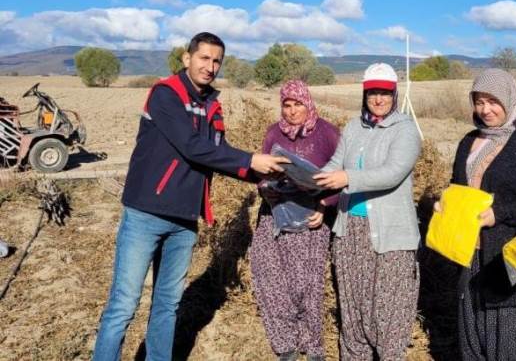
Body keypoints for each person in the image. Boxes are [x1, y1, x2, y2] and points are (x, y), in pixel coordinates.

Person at [92, 32, 288, 361]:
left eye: (216, 61)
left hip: (184, 220)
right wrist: (249, 159)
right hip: (146, 214)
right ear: (187, 58)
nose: (210, 67)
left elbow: (218, 152)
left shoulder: (211, 104)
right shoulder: (165, 94)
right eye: (204, 58)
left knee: (167, 306)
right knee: (124, 306)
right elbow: (191, 146)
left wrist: (259, 173)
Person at [442, 68, 516, 360]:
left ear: (509, 100)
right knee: (471, 328)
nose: (485, 110)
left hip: (508, 254)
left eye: (493, 101)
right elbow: (458, 187)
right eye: (479, 102)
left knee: (506, 334)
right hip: (468, 251)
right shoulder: (468, 141)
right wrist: (446, 204)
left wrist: (500, 213)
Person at [314, 63, 422, 360]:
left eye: (384, 93)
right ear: (364, 94)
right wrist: (309, 179)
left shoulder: (405, 129)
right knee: (354, 314)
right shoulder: (353, 127)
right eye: (372, 92)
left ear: (394, 94)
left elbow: (393, 172)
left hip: (391, 238)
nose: (378, 99)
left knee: (388, 316)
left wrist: (348, 178)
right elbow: (335, 164)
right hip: (350, 233)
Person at [250, 80, 341, 361]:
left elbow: (345, 178)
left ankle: (313, 349)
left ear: (308, 103)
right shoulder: (273, 133)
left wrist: (325, 205)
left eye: (297, 104)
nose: (291, 111)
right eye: (286, 105)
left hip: (311, 220)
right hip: (275, 215)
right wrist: (266, 187)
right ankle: (286, 347)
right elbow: (261, 174)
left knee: (307, 289)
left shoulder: (328, 134)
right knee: (272, 282)